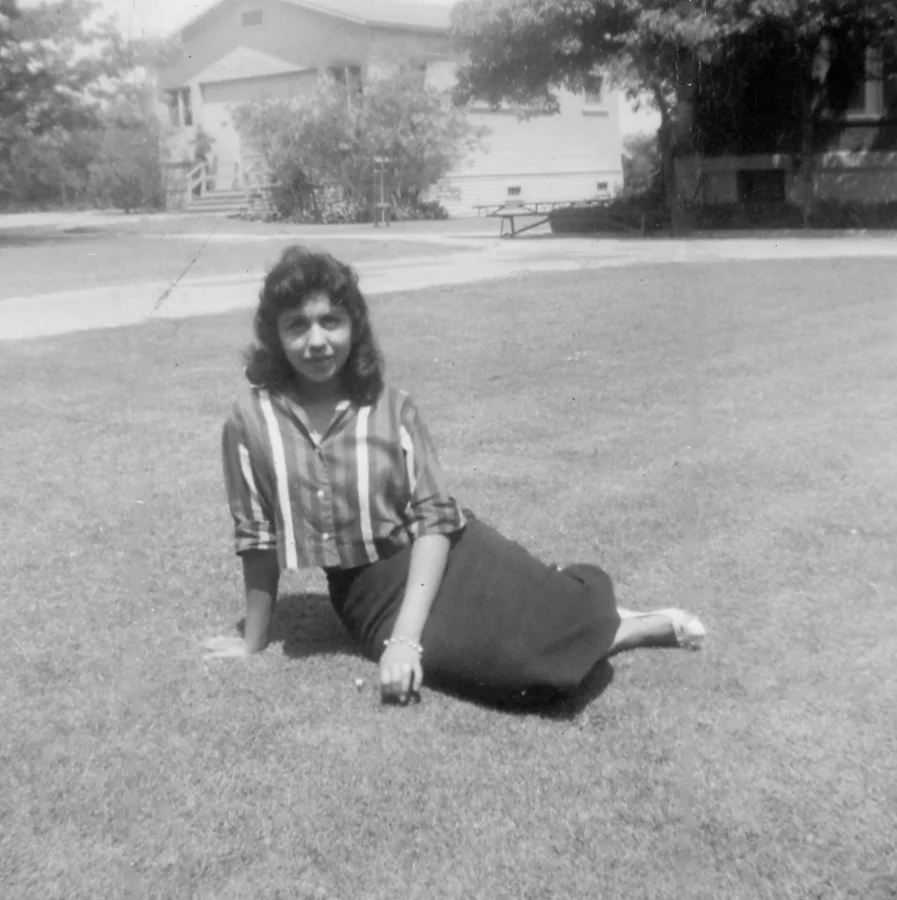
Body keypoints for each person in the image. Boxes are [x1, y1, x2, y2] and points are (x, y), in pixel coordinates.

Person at [203, 246, 706, 706]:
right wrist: (253, 641)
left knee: (550, 613)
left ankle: (613, 619)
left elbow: (433, 520)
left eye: (330, 321)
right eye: (297, 326)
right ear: (275, 335)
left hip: (445, 552)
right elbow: (257, 537)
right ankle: (619, 629)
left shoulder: (391, 408)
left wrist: (405, 641)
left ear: (353, 326)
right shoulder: (251, 420)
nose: (316, 341)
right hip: (368, 594)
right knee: (517, 672)